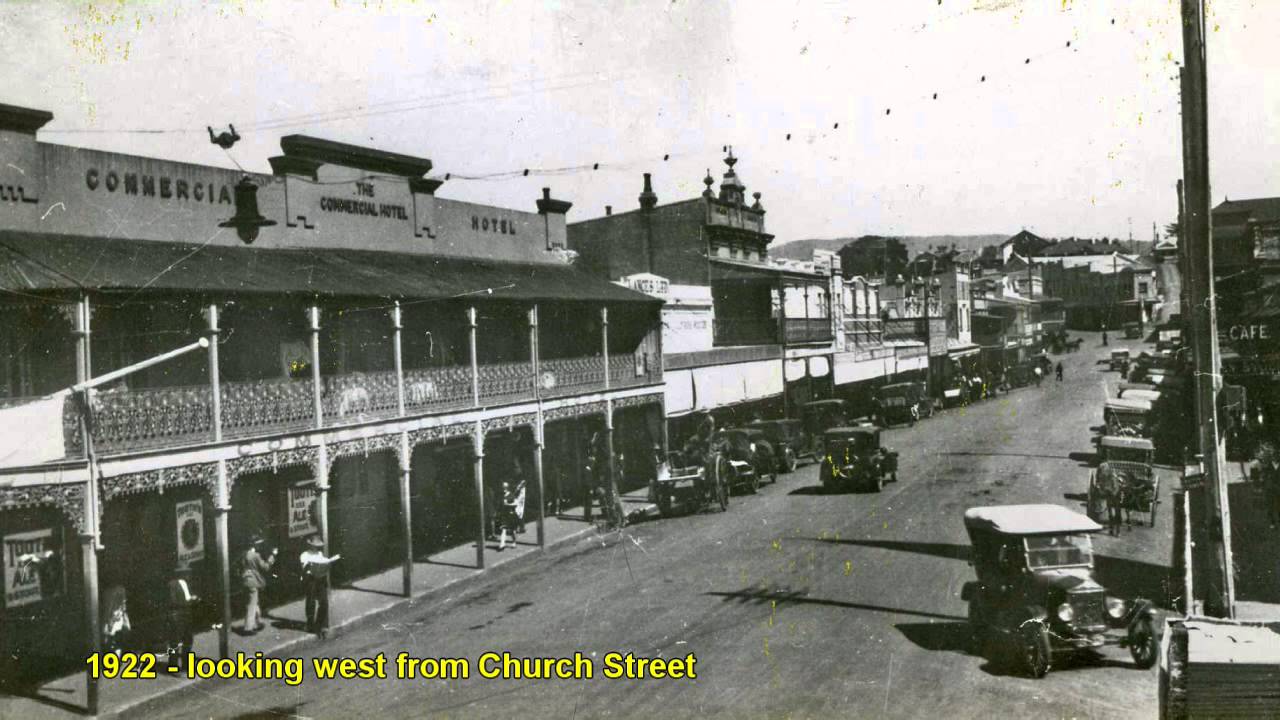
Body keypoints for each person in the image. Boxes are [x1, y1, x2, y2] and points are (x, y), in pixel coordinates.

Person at [300, 535, 340, 638]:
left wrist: (326, 564)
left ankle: (320, 624)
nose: (316, 547)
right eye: (314, 545)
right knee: (311, 602)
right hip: (311, 580)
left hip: (321, 579)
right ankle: (310, 624)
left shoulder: (320, 554)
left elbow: (324, 565)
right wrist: (310, 566)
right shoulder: (305, 555)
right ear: (310, 545)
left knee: (324, 602)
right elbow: (304, 568)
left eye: (317, 546)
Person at [240, 535, 276, 635]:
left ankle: (257, 622)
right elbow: (265, 567)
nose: (259, 546)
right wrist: (271, 558)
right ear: (254, 545)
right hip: (253, 581)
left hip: (245, 580)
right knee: (252, 604)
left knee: (253, 602)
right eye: (258, 544)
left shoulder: (244, 554)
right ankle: (248, 628)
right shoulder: (255, 556)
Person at [166, 569, 200, 670]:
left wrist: (192, 599)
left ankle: (186, 665)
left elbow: (186, 597)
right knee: (175, 642)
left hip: (186, 615)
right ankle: (173, 666)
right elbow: (173, 601)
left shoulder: (186, 583)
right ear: (181, 574)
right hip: (177, 616)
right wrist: (189, 602)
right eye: (186, 573)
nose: (188, 575)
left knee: (188, 640)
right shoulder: (172, 584)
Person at [101, 585, 131, 656]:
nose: (124, 600)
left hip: (115, 624)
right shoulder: (111, 612)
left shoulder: (121, 611)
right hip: (113, 625)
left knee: (117, 642)